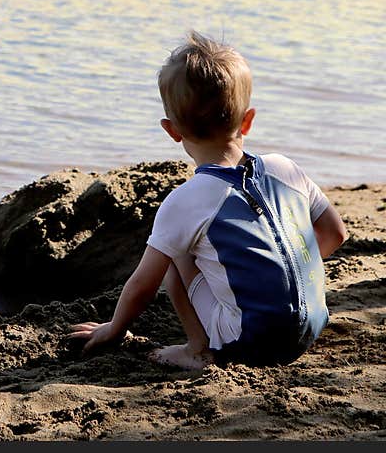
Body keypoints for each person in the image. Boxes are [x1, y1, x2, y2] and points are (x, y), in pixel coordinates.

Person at [68, 31, 348, 368]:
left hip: (251, 343)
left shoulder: (185, 201)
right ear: (248, 120)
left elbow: (143, 284)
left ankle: (198, 350)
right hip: (310, 326)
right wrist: (284, 270)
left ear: (171, 130)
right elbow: (336, 233)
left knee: (175, 252)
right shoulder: (285, 169)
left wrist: (114, 330)